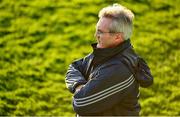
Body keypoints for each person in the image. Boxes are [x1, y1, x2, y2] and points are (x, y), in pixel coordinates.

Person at [65, 3, 153, 116]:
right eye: (97, 30)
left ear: (117, 37)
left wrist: (81, 92)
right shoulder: (105, 52)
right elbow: (74, 66)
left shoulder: (119, 69)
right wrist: (80, 86)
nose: (96, 35)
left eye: (101, 32)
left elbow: (80, 103)